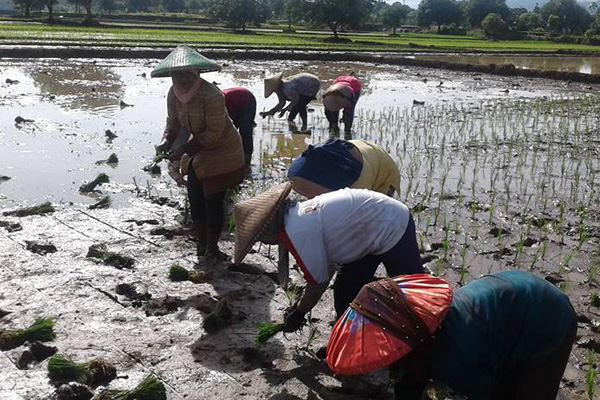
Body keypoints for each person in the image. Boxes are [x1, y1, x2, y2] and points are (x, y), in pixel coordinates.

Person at [327, 271, 578, 400]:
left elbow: (488, 395)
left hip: (548, 318)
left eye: (396, 362)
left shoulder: (455, 359)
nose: (393, 367)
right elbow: (409, 383)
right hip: (509, 295)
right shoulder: (419, 333)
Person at [233, 183, 424, 332]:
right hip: (368, 230)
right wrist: (301, 306)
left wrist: (299, 313)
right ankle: (353, 340)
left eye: (260, 238)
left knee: (412, 297)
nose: (264, 243)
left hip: (392, 224)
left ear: (267, 228)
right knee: (345, 293)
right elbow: (328, 265)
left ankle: (427, 347)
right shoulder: (296, 215)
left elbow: (318, 282)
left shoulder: (298, 232)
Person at [151, 46, 245, 262]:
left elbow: (214, 133)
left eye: (187, 75)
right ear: (171, 75)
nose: (182, 80)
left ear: (195, 74)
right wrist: (166, 142)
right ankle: (201, 244)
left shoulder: (212, 95)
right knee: (195, 197)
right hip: (199, 150)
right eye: (177, 75)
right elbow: (173, 123)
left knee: (213, 200)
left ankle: (212, 247)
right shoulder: (172, 94)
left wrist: (184, 149)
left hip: (224, 150)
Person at [288, 138, 400, 199]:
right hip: (362, 149)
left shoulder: (359, 184)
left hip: (384, 172)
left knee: (376, 212)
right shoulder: (314, 158)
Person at [222, 87, 256, 168]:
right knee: (231, 134)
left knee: (245, 131)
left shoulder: (216, 103)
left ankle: (247, 162)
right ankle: (235, 158)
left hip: (247, 99)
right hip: (235, 104)